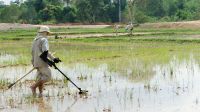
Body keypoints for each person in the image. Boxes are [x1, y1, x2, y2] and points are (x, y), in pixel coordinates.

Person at [31, 26, 61, 97]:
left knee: (40, 78)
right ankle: (33, 86)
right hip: (42, 62)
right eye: (47, 33)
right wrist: (52, 59)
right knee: (48, 77)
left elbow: (32, 52)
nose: (47, 34)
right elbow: (45, 52)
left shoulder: (35, 40)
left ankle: (40, 94)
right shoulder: (44, 40)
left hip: (36, 62)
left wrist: (33, 62)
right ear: (45, 32)